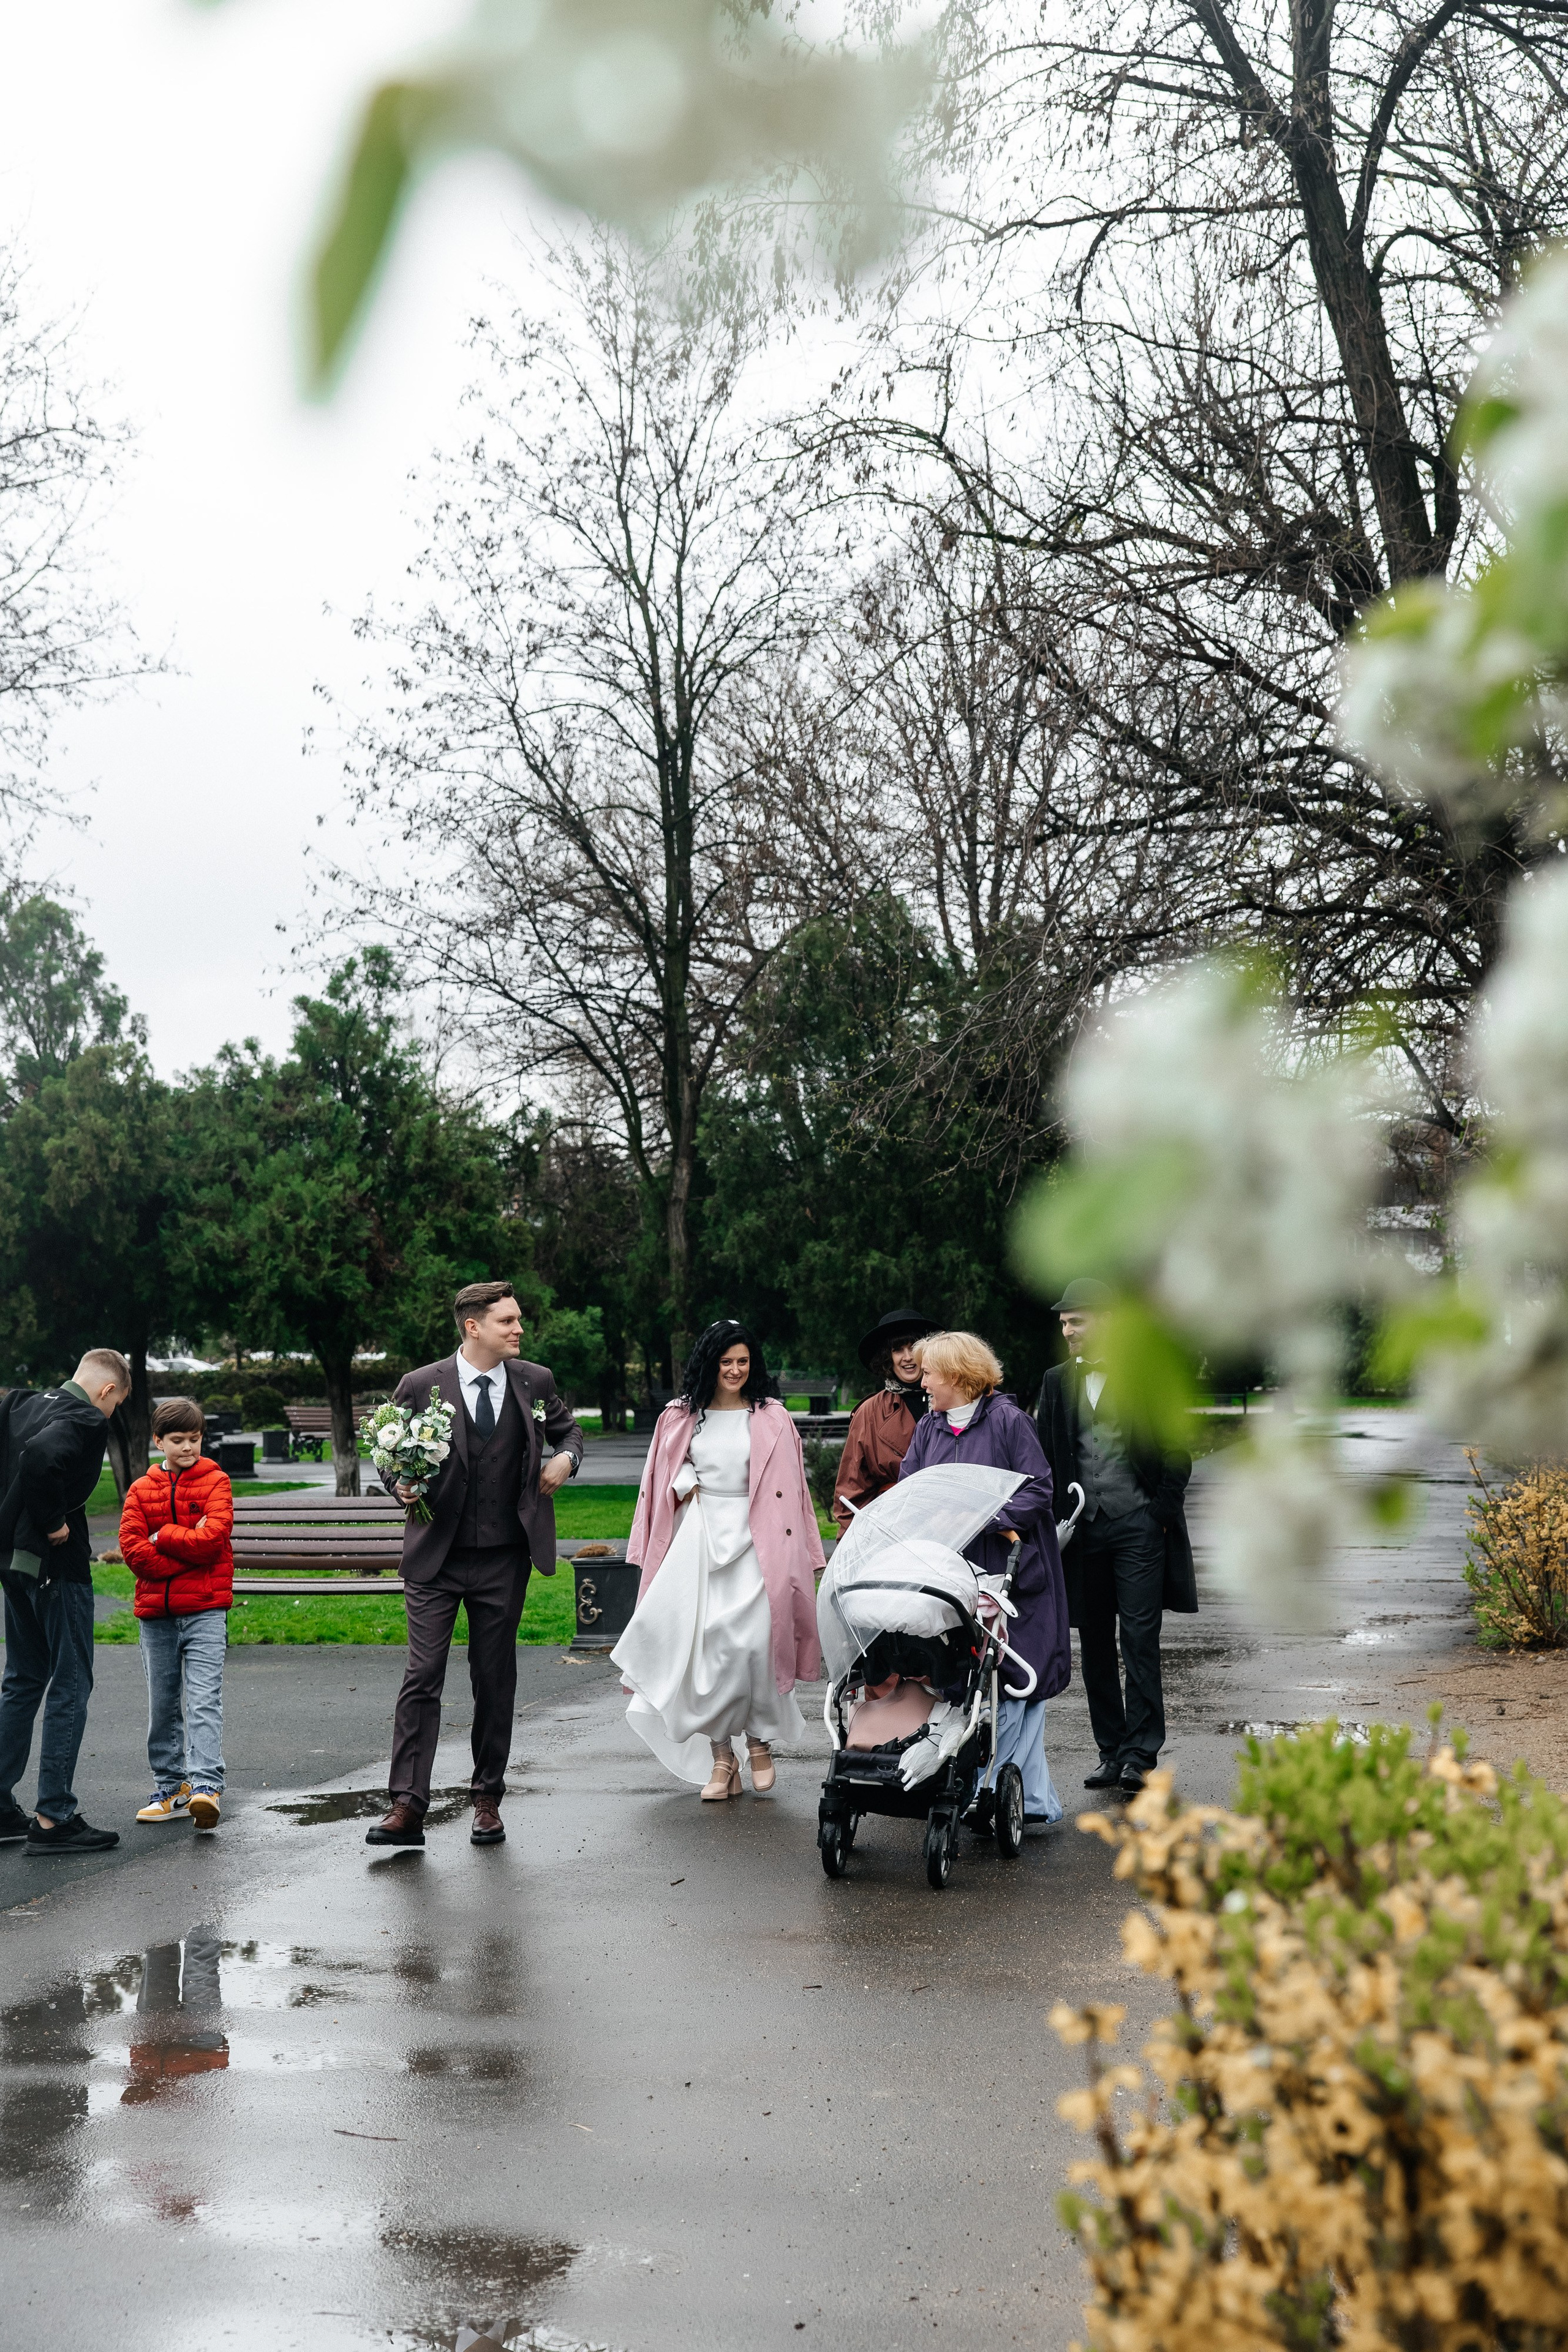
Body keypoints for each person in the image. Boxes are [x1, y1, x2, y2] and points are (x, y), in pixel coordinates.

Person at [366, 1280, 584, 1852]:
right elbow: (386, 1451)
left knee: (494, 1677)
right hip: (436, 1556)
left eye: (518, 1320)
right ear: (474, 1327)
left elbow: (569, 1432)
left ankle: (487, 1799)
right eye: (508, 1321)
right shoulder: (420, 1384)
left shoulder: (535, 1381)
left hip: (505, 1557)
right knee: (422, 1675)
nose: (519, 1329)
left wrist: (565, 1460)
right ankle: (407, 1806)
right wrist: (401, 1486)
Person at [615, 1320, 823, 1800]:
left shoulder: (772, 1415)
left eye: (743, 1362)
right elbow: (659, 1475)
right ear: (709, 1363)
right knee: (708, 1651)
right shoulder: (678, 1415)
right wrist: (686, 1478)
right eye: (726, 1362)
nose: (735, 1370)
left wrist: (809, 1550)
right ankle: (722, 1757)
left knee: (754, 1644)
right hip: (701, 1534)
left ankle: (759, 1740)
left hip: (760, 1538)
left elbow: (797, 1492)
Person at [897, 1330, 1069, 1825]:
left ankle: (1007, 1792)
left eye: (929, 1373)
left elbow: (1040, 1490)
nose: (922, 1382)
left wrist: (985, 1517)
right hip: (950, 1570)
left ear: (957, 1375)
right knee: (965, 1679)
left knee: (1015, 1679)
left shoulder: (1010, 1422)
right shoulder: (929, 1427)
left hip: (1009, 1570)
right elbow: (911, 1486)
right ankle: (1019, 1797)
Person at [1034, 1277, 1196, 1799]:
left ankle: (1141, 1754)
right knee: (1096, 1643)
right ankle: (1111, 1751)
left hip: (1139, 1528)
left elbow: (1177, 1448)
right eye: (1063, 1322)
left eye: (1076, 1321)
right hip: (1083, 1533)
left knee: (1140, 1641)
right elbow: (1046, 1454)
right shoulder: (1056, 1381)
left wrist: (1161, 1513)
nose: (1068, 1330)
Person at [0, 1346, 133, 1856]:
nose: (112, 1412)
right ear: (106, 1391)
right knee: (71, 1683)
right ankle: (54, 1816)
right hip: (60, 1568)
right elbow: (40, 1458)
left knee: (24, 1678)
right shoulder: (83, 1415)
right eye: (116, 1403)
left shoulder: (21, 1404)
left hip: (15, 1565)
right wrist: (54, 1519)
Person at [119, 1398, 235, 1832]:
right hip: (156, 1615)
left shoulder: (217, 1481)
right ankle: (171, 1788)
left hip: (205, 1610)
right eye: (177, 1440)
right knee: (163, 1705)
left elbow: (213, 1539)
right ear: (158, 1441)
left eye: (195, 1438)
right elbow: (134, 1551)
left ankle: (206, 1786)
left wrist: (162, 1535)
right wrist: (185, 1552)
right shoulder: (140, 1490)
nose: (188, 1448)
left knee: (204, 1699)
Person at [831, 1307, 937, 1532]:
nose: (908, 1357)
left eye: (914, 1348)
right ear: (887, 1357)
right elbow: (851, 1489)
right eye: (898, 1350)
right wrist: (851, 1544)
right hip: (893, 1527)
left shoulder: (951, 1400)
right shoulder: (869, 1412)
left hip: (949, 1523)